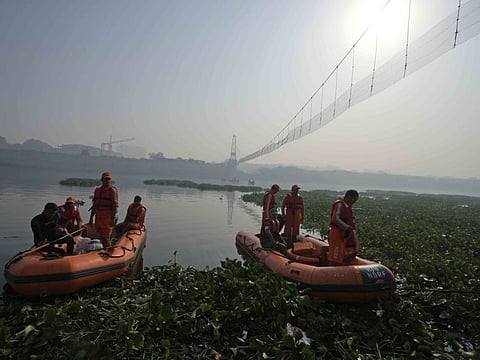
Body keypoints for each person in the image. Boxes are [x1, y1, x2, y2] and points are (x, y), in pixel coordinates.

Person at [327, 189, 360, 265]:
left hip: (344, 235)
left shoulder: (347, 206)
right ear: (349, 197)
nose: (353, 203)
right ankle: (331, 272)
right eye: (353, 200)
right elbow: (335, 219)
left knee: (341, 255)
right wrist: (347, 227)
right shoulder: (340, 205)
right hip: (337, 234)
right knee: (335, 256)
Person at [88, 171, 119, 247]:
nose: (107, 180)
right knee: (100, 236)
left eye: (108, 179)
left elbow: (114, 206)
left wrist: (112, 218)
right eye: (105, 179)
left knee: (106, 237)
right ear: (102, 180)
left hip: (107, 217)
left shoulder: (112, 190)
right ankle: (101, 250)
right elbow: (95, 205)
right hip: (98, 217)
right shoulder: (97, 190)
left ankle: (108, 251)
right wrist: (91, 218)